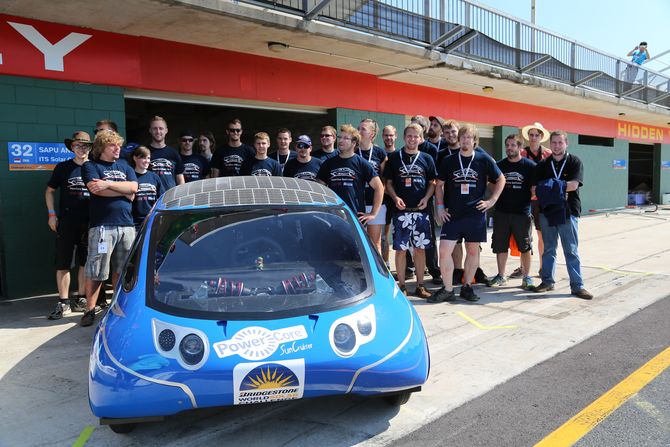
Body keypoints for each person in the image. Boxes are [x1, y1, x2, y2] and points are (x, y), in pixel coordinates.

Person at [429, 123, 505, 303]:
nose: (465, 140)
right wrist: (439, 207)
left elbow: (501, 178)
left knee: (472, 252)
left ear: (474, 141)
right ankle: (448, 289)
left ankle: (467, 286)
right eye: (462, 136)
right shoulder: (449, 160)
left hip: (475, 214)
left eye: (468, 137)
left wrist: (491, 201)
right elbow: (438, 184)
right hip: (453, 214)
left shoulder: (483, 159)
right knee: (444, 251)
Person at [80, 130, 138, 326]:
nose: (117, 148)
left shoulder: (125, 165)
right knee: (96, 270)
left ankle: (117, 305)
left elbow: (134, 189)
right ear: (102, 147)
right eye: (112, 145)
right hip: (102, 226)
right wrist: (123, 190)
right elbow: (96, 191)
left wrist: (108, 184)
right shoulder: (90, 166)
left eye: (118, 144)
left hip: (127, 225)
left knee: (123, 271)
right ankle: (89, 309)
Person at [534, 131, 593, 300]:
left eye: (560, 142)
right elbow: (537, 189)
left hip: (568, 211)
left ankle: (577, 286)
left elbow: (573, 185)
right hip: (548, 212)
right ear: (550, 144)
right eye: (554, 143)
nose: (557, 146)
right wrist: (558, 188)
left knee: (571, 250)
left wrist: (550, 186)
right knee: (548, 249)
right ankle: (547, 282)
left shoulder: (575, 162)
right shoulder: (543, 165)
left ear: (566, 143)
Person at [384, 123, 437, 298]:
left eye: (416, 136)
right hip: (401, 211)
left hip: (420, 211)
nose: (412, 139)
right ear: (404, 137)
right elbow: (388, 184)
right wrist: (394, 197)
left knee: (420, 249)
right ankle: (402, 286)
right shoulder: (394, 158)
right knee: (400, 249)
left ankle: (421, 285)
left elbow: (432, 183)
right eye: (409, 136)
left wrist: (427, 198)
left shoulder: (427, 158)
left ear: (421, 138)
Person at [45, 131, 92, 319]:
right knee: (63, 262)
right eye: (77, 145)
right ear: (71, 147)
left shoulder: (95, 167)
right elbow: (49, 191)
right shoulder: (63, 167)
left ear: (90, 147)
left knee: (85, 261)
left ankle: (81, 298)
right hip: (66, 221)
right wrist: (51, 215)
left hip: (89, 222)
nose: (81, 149)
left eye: (84, 145)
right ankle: (63, 302)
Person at [488, 134, 536, 290]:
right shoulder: (499, 165)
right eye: (507, 145)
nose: (509, 148)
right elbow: (491, 183)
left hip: (522, 213)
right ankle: (501, 276)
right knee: (500, 246)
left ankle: (527, 277)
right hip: (502, 212)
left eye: (513, 145)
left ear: (520, 147)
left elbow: (534, 189)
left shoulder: (529, 166)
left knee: (525, 246)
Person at [509, 122, 552, 279]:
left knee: (542, 235)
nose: (534, 138)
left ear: (541, 137)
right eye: (531, 135)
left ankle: (542, 268)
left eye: (537, 135)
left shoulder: (548, 154)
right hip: (524, 200)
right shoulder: (521, 153)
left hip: (542, 201)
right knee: (523, 236)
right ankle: (523, 267)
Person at [317, 124, 384, 225]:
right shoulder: (328, 163)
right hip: (333, 216)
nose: (341, 140)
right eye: (340, 137)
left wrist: (373, 213)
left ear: (354, 143)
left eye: (345, 138)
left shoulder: (361, 163)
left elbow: (379, 187)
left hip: (355, 218)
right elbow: (319, 187)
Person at [358, 118, 387, 254]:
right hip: (357, 202)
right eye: (359, 128)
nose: (359, 131)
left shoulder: (380, 153)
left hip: (375, 203)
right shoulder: (352, 151)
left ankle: (378, 273)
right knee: (358, 243)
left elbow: (384, 178)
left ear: (372, 134)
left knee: (375, 243)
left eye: (363, 129)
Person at [146, 115, 185, 191]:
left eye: (161, 128)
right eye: (155, 128)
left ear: (166, 130)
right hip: (151, 197)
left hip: (170, 198)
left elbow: (180, 179)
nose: (158, 131)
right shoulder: (144, 152)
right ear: (150, 130)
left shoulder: (173, 153)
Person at [130, 146, 163, 230]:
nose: (147, 161)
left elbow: (161, 199)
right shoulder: (130, 176)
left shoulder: (155, 177)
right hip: (134, 223)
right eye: (143, 157)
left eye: (148, 158)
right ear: (135, 158)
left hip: (152, 221)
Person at [381, 125, 398, 271]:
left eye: (391, 135)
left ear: (396, 136)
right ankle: (385, 264)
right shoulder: (379, 154)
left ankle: (409, 266)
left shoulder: (399, 155)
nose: (389, 138)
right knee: (384, 235)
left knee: (400, 233)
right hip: (383, 199)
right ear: (382, 136)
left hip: (398, 199)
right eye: (386, 135)